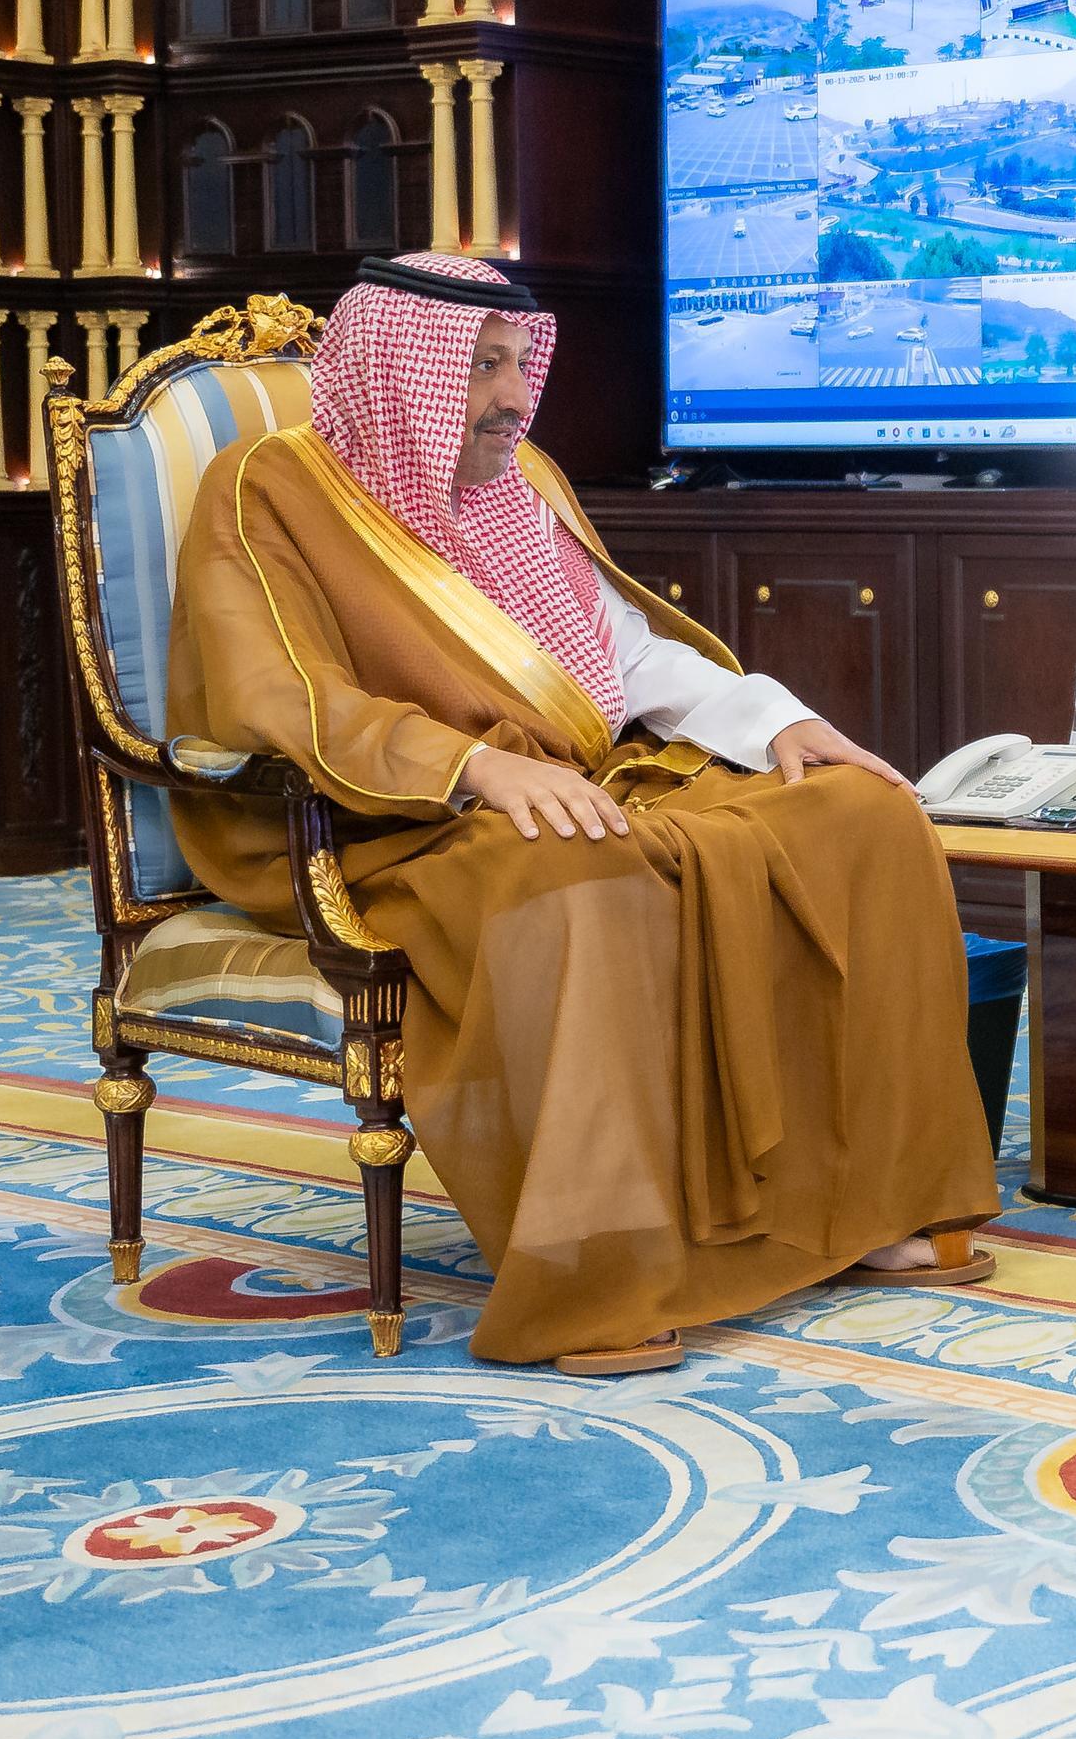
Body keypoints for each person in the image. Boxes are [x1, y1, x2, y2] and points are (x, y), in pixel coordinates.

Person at [165, 254, 1005, 1376]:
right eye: (483, 367)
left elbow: (621, 655)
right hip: (387, 819)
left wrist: (775, 721)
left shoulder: (523, 481)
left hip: (575, 779)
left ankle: (859, 1209)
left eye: (521, 365)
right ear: (398, 370)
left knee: (862, 813)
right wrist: (472, 766)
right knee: (582, 879)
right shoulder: (268, 487)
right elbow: (276, 694)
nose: (515, 398)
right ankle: (604, 1272)